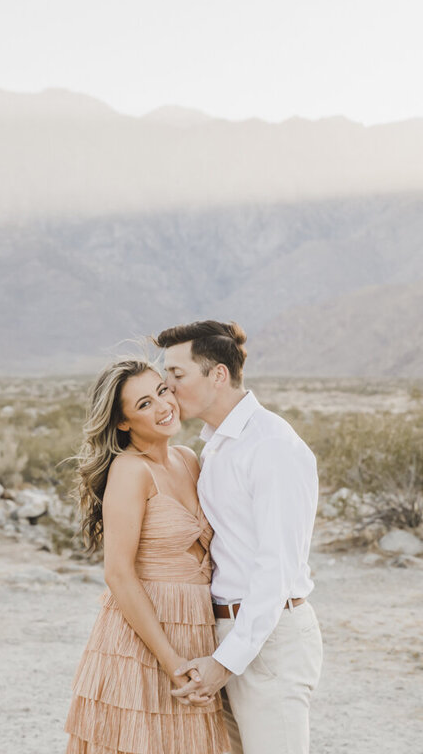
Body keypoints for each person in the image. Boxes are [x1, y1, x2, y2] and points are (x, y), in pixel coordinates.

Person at [155, 321, 322, 754]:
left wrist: (226, 661)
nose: (167, 388)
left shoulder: (272, 446)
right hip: (226, 631)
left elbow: (276, 568)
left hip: (269, 636)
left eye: (177, 375)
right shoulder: (217, 445)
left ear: (218, 375)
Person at [64, 358, 231, 754]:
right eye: (143, 404)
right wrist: (172, 663)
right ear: (122, 422)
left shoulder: (189, 458)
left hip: (196, 629)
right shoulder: (130, 471)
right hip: (141, 641)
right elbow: (119, 575)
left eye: (161, 391)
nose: (162, 406)